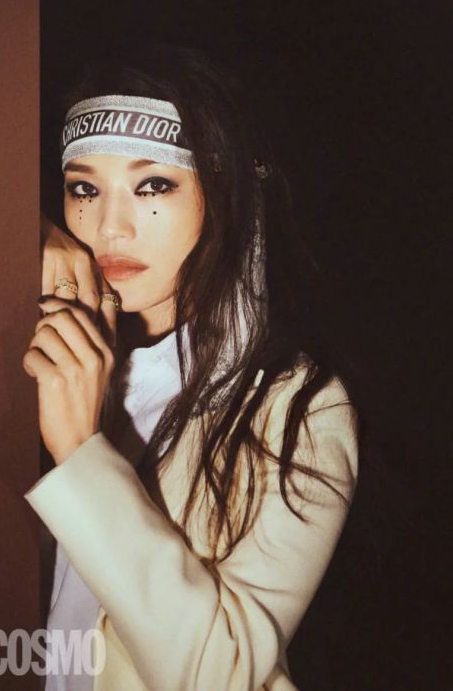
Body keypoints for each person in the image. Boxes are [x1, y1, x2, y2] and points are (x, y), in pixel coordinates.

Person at [23, 42, 361, 691]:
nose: (110, 227)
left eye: (153, 185)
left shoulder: (300, 405)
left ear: (223, 193)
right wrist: (33, 233)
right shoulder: (68, 351)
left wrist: (80, 450)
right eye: (83, 189)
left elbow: (220, 676)